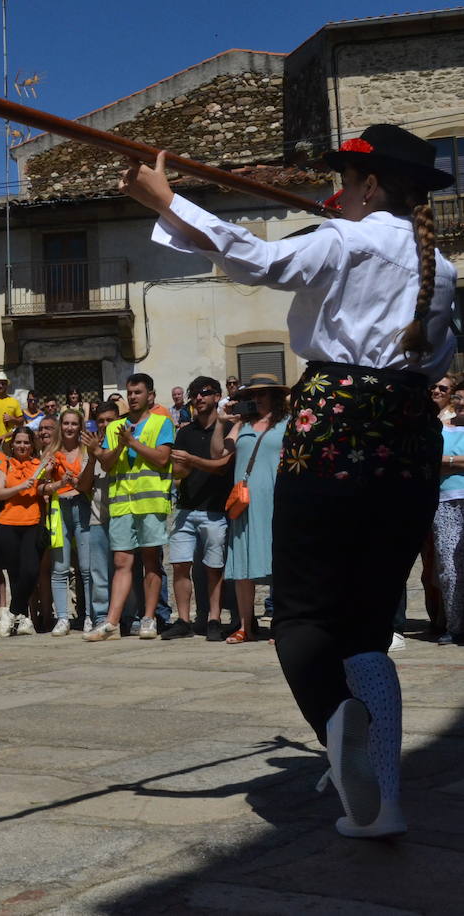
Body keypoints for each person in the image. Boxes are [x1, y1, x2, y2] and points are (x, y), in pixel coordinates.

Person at [124, 127, 457, 838]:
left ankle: (339, 730)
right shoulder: (445, 270)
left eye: (345, 177)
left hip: (334, 425)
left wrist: (168, 200)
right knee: (367, 627)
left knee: (302, 613)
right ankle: (383, 799)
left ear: (369, 186)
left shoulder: (345, 241)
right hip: (407, 436)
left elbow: (257, 260)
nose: (335, 188)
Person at [85, 373, 174, 641]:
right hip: (122, 503)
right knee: (121, 561)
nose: (133, 397)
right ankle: (111, 623)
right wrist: (116, 447)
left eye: (138, 392)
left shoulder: (162, 422)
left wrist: (133, 442)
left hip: (150, 502)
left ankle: (148, 619)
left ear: (150, 395)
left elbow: (162, 458)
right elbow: (109, 464)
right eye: (130, 392)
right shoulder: (115, 428)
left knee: (151, 562)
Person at [211, 375, 287, 645]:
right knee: (242, 564)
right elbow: (218, 454)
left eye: (263, 394)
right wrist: (221, 422)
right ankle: (246, 626)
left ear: (275, 397)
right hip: (243, 503)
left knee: (279, 562)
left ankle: (281, 626)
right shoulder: (241, 424)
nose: (256, 399)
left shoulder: (286, 425)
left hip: (275, 501)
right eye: (252, 395)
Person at [164, 377, 234, 641]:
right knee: (180, 565)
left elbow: (223, 465)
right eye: (194, 394)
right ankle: (183, 620)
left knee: (214, 568)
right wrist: (177, 466)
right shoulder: (185, 432)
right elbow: (179, 472)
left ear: (217, 396)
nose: (198, 398)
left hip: (215, 509)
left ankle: (214, 619)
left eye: (204, 393)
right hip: (186, 508)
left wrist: (192, 460)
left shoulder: (228, 427)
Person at [42, 408, 96, 637]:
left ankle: (89, 617)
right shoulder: (51, 452)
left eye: (74, 423)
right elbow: (40, 486)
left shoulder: (86, 451)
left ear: (80, 426)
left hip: (82, 506)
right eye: (66, 423)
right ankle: (62, 618)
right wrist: (50, 474)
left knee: (86, 567)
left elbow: (92, 482)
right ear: (60, 426)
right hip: (59, 508)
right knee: (60, 567)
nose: (70, 428)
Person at [0, 427, 47, 638]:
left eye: (26, 442)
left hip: (32, 523)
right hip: (7, 523)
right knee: (15, 574)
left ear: (32, 445)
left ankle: (12, 612)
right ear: (12, 444)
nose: (22, 446)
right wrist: (21, 486)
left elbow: (42, 489)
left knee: (31, 571)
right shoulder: (4, 464)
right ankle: (23, 619)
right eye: (19, 442)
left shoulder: (38, 466)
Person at [80, 400, 120, 632]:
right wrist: (94, 455)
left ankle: (128, 616)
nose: (105, 425)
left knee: (125, 570)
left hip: (122, 516)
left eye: (110, 420)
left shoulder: (124, 445)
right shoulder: (92, 447)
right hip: (97, 518)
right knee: (99, 573)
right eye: (101, 420)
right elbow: (84, 485)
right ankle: (100, 617)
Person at [432, 412, 464, 646]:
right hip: (444, 503)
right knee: (449, 569)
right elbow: (429, 458)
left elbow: (440, 461)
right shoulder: (439, 429)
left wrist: (447, 462)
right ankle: (456, 627)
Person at [0, 372, 22, 445]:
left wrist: (13, 419)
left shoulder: (14, 401)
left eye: (3, 383)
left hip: (9, 440)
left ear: (7, 385)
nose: (1, 386)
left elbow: (21, 421)